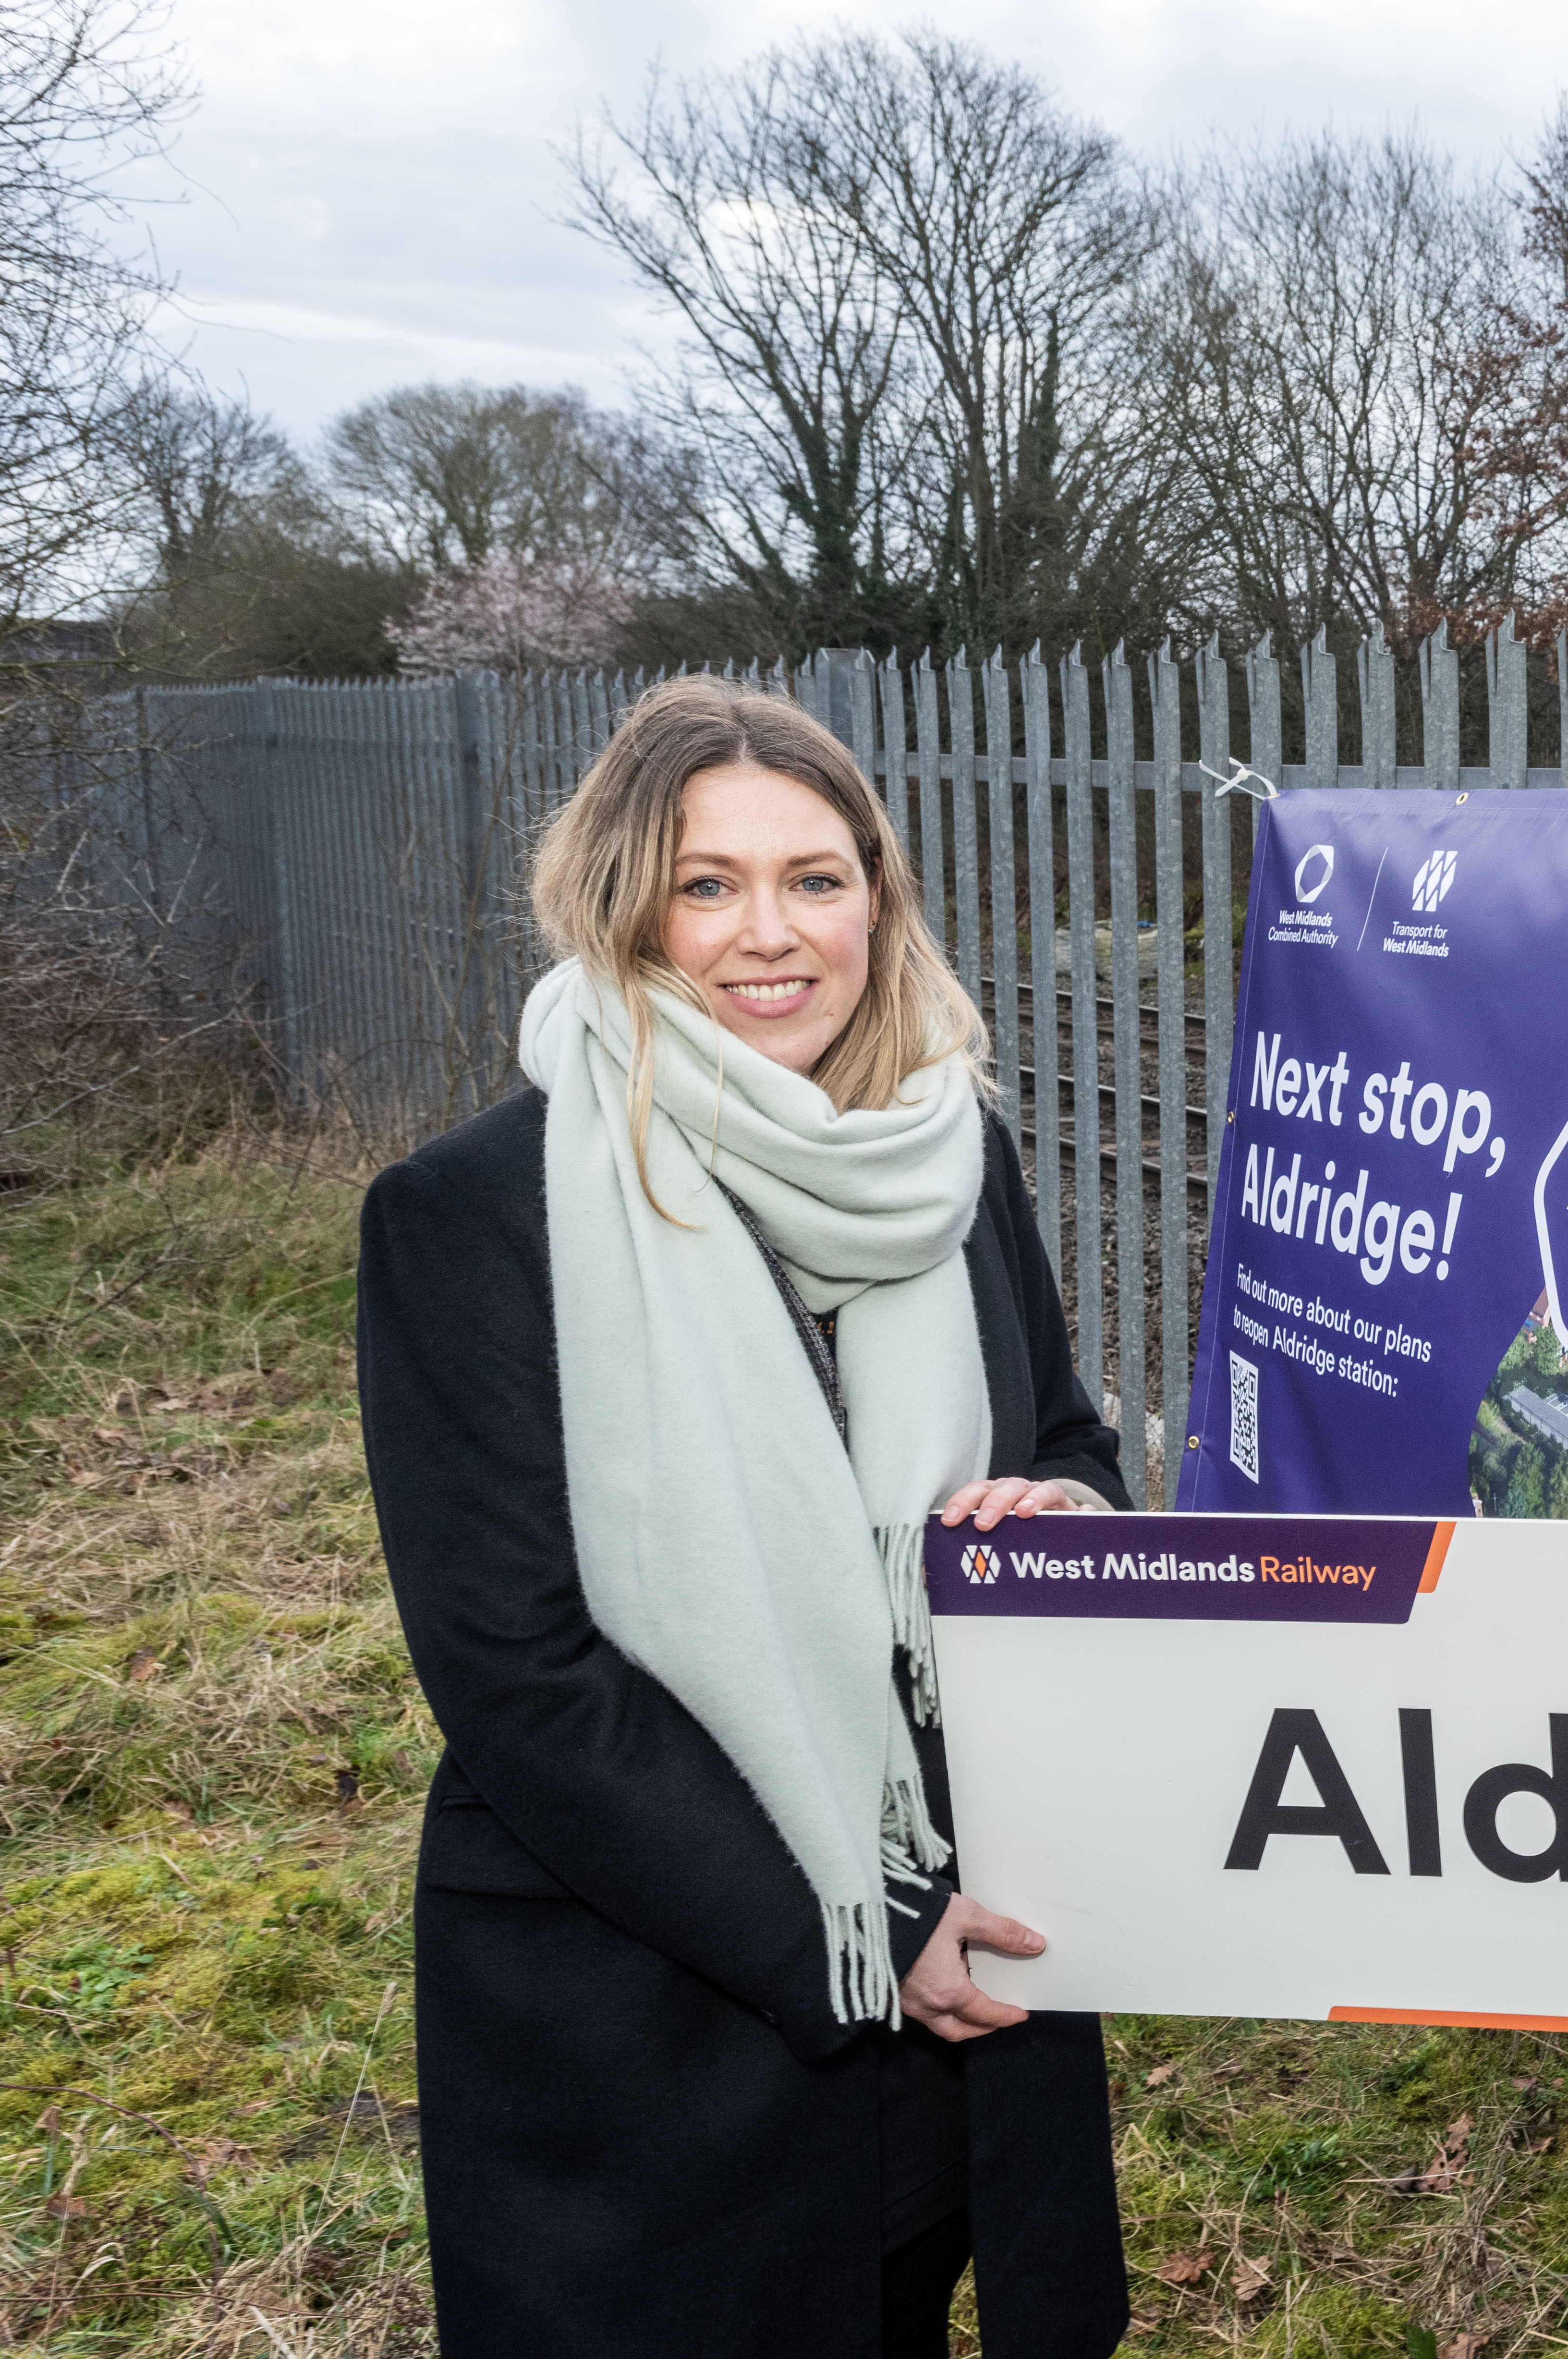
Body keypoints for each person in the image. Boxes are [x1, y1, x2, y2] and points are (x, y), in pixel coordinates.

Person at [355, 676, 1132, 2358]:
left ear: (879, 896)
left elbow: (1066, 1434)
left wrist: (1061, 1504)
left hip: (965, 1991)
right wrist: (859, 1933)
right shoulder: (475, 1214)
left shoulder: (948, 1158)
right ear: (623, 903)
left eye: (818, 877)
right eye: (709, 884)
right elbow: (520, 1669)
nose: (770, 934)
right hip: (670, 2018)